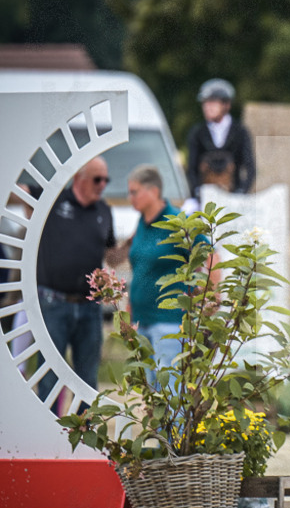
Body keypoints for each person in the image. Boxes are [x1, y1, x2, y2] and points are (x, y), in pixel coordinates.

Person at [36, 156, 117, 413]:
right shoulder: (53, 199)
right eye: (97, 179)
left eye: (106, 179)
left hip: (89, 307)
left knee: (87, 378)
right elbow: (21, 194)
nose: (102, 184)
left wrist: (129, 248)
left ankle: (84, 442)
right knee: (49, 375)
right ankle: (46, 439)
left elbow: (111, 254)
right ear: (78, 178)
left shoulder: (104, 210)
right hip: (53, 303)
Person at [125, 165, 192, 390]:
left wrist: (207, 300)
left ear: (153, 191)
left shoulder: (177, 221)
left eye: (134, 192)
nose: (129, 197)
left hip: (169, 323)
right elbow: (140, 268)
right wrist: (129, 308)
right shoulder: (142, 223)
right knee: (152, 397)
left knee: (171, 395)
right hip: (142, 323)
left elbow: (210, 256)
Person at [185, 78, 256, 197]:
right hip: (203, 195)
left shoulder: (240, 132)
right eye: (205, 103)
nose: (207, 107)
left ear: (226, 105)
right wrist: (197, 191)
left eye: (212, 102)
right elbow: (191, 168)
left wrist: (242, 191)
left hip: (233, 194)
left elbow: (250, 167)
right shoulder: (197, 132)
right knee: (186, 212)